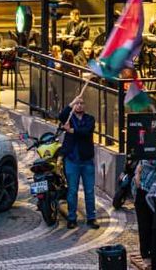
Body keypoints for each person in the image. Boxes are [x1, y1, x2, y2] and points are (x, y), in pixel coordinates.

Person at [58, 95, 98, 229]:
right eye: (77, 103)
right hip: (72, 161)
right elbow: (61, 116)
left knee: (89, 191)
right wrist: (71, 102)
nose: (79, 105)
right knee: (72, 191)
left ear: (85, 106)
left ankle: (91, 218)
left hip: (87, 161)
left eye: (81, 103)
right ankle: (71, 218)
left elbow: (86, 132)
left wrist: (72, 130)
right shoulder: (69, 118)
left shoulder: (90, 119)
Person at [134, 154, 156, 262]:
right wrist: (137, 174)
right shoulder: (142, 157)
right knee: (144, 225)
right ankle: (145, 253)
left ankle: (154, 251)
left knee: (155, 225)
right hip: (142, 193)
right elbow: (137, 179)